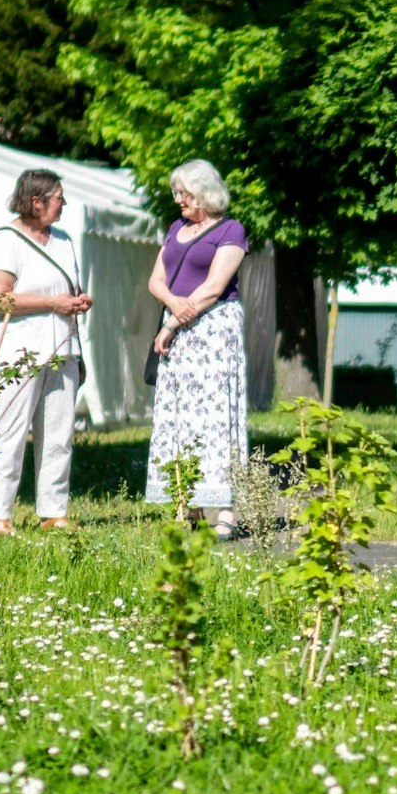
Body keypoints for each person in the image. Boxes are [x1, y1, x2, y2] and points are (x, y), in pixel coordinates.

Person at [0, 169, 92, 534]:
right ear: (35, 201)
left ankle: (53, 511)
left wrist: (77, 300)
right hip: (17, 353)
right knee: (7, 431)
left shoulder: (63, 240)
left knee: (59, 434)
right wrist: (51, 303)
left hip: (61, 347)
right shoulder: (5, 240)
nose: (63, 204)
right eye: (58, 197)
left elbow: (68, 288)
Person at [145, 160, 251, 541]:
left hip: (213, 329)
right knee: (178, 415)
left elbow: (214, 285)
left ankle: (225, 510)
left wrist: (173, 321)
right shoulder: (177, 229)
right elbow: (156, 279)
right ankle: (185, 505)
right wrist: (173, 306)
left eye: (184, 193)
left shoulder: (230, 230)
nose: (178, 200)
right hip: (178, 326)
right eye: (176, 192)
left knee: (216, 415)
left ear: (204, 192)